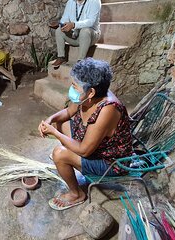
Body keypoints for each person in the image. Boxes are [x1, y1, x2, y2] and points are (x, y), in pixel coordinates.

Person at [38, 58, 133, 210]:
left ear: (91, 92)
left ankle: (77, 194)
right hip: (93, 144)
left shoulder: (108, 109)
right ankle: (69, 159)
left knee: (59, 154)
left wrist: (54, 133)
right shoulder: (86, 95)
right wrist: (51, 119)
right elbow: (69, 112)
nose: (72, 89)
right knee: (61, 122)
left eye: (75, 86)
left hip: (110, 162)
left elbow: (85, 150)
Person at [52, 0, 101, 67]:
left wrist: (74, 25)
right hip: (75, 34)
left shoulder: (95, 1)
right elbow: (64, 19)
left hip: (90, 35)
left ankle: (81, 61)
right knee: (59, 31)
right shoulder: (70, 2)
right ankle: (61, 57)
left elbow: (91, 22)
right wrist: (61, 25)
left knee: (85, 31)